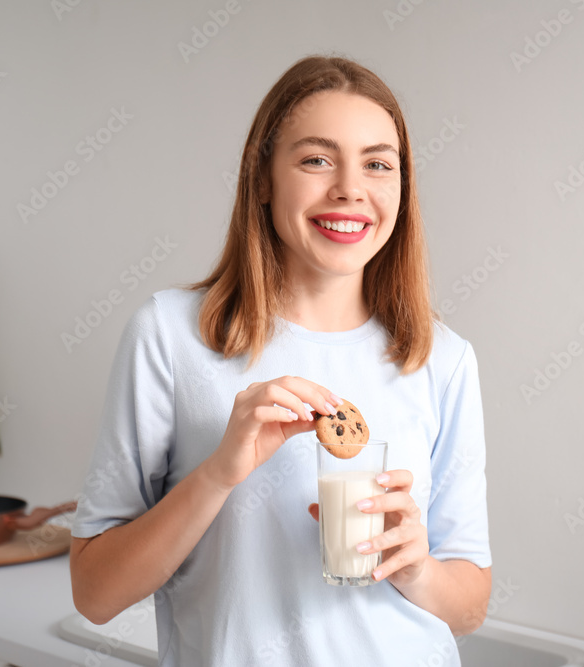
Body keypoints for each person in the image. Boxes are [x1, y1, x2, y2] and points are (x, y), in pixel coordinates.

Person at [69, 54, 492, 666]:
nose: (350, 187)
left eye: (378, 164)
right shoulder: (168, 334)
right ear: (262, 179)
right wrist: (218, 473)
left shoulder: (441, 359)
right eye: (317, 159)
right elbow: (96, 594)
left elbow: (471, 607)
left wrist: (415, 565)